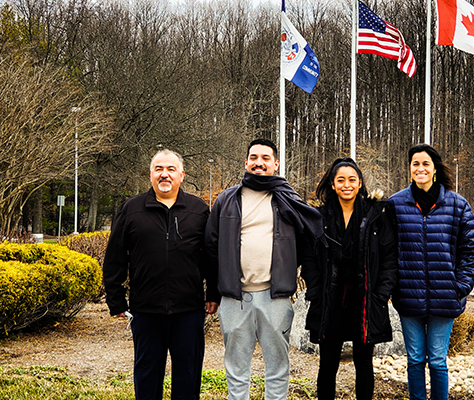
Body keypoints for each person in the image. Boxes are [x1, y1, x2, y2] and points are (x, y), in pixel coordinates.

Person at [205, 138, 322, 400]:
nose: (259, 163)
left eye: (265, 158)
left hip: (275, 297)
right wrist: (212, 293)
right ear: (246, 162)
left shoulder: (289, 200)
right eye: (254, 158)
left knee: (278, 368)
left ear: (275, 164)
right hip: (235, 299)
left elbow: (308, 244)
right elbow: (211, 249)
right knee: (236, 369)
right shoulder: (226, 199)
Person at [103, 149, 219, 400]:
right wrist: (115, 299)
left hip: (188, 310)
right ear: (150, 174)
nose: (164, 175)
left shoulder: (199, 210)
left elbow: (210, 256)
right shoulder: (131, 209)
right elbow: (115, 257)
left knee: (188, 375)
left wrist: (213, 294)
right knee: (146, 375)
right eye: (159, 169)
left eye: (170, 169)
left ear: (182, 175)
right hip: (146, 310)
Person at [387, 144, 474, 400]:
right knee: (415, 360)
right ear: (410, 169)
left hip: (445, 298)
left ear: (435, 169)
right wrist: (395, 287)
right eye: (415, 164)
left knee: (438, 361)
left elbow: (471, 252)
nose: (420, 168)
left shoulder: (457, 205)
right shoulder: (395, 205)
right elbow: (386, 251)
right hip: (408, 297)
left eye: (425, 164)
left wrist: (459, 287)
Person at [302, 158, 397, 400]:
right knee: (328, 364)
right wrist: (314, 290)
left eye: (352, 179)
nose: (346, 184)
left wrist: (381, 294)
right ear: (332, 185)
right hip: (329, 300)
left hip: (365, 301)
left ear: (360, 183)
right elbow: (309, 258)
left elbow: (389, 258)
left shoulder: (376, 215)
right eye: (340, 180)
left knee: (364, 364)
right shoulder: (318, 217)